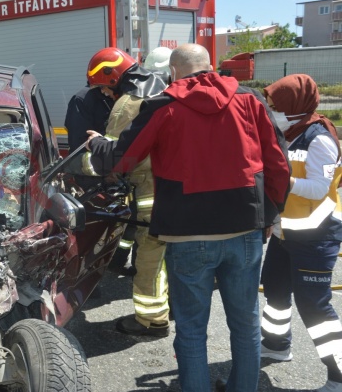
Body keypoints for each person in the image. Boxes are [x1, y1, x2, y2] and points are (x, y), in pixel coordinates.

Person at [86, 43, 291, 391]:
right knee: (245, 324)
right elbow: (279, 165)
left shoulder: (163, 106)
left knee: (193, 328)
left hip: (187, 234)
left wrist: (96, 144)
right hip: (245, 228)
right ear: (211, 67)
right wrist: (269, 215)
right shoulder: (249, 99)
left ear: (173, 74)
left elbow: (121, 159)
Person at [260, 74, 342, 392]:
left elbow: (319, 188)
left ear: (295, 107)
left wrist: (280, 180)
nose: (271, 111)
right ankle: (276, 346)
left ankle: (337, 374)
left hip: (315, 237)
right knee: (276, 293)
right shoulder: (289, 134)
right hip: (287, 233)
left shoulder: (319, 138)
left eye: (276, 106)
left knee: (315, 306)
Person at [85, 46, 172, 337]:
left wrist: (93, 149)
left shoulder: (127, 104)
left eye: (103, 89)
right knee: (171, 259)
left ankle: (151, 321)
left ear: (112, 77)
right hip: (176, 191)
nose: (105, 95)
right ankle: (171, 309)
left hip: (148, 195)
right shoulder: (165, 91)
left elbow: (113, 159)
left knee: (149, 259)